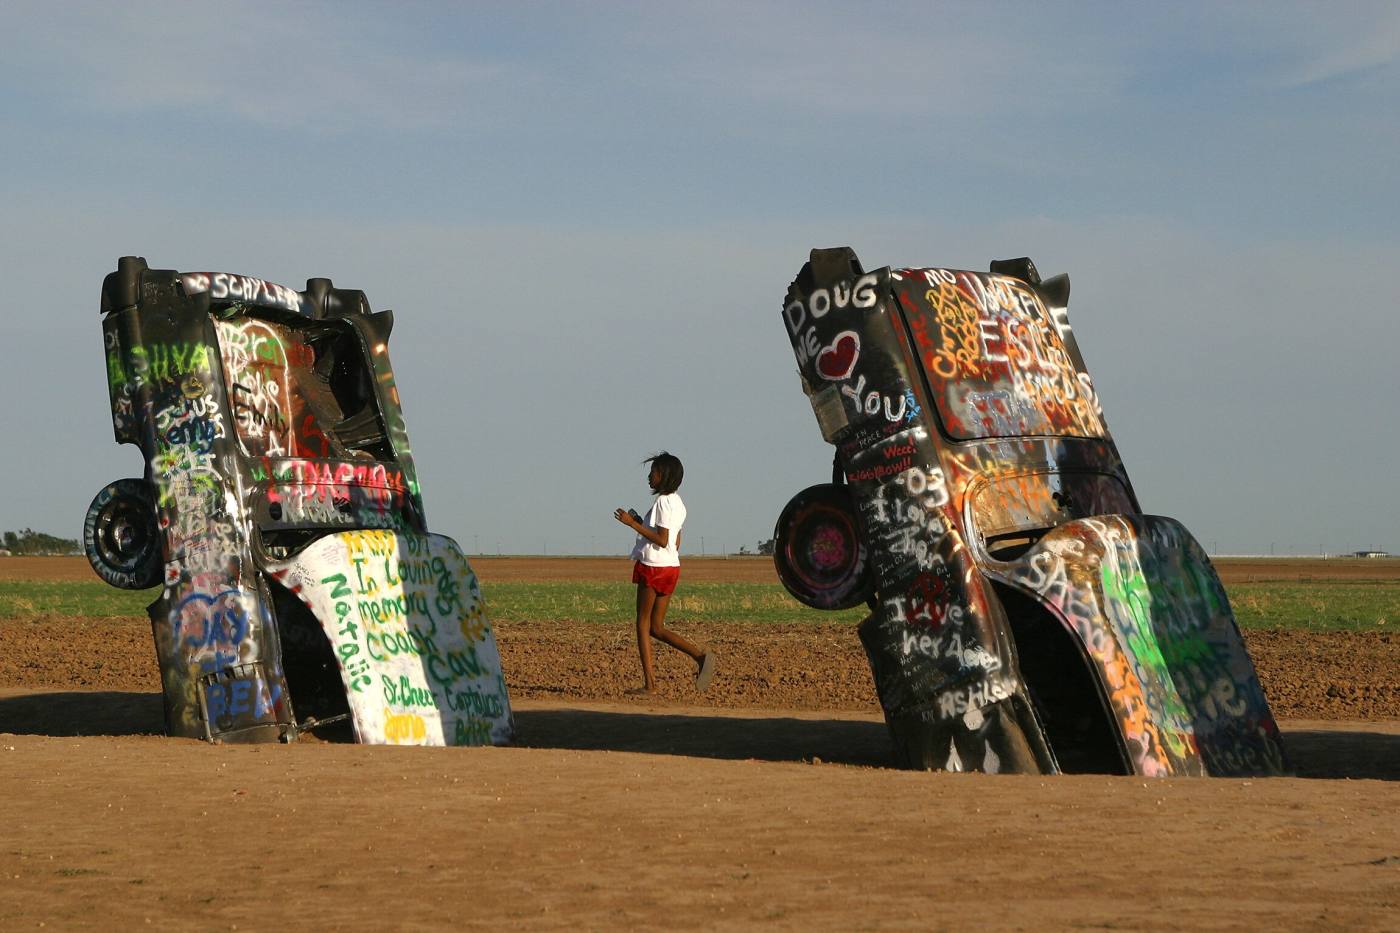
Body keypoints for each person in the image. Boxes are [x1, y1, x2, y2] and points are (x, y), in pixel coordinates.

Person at [613, 451, 715, 694]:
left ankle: (650, 685)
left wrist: (632, 523)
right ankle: (700, 657)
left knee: (642, 624)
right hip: (670, 567)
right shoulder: (678, 503)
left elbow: (661, 539)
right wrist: (642, 523)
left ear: (664, 476)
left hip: (654, 567)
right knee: (656, 628)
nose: (650, 477)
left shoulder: (661, 502)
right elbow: (675, 541)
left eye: (653, 473)